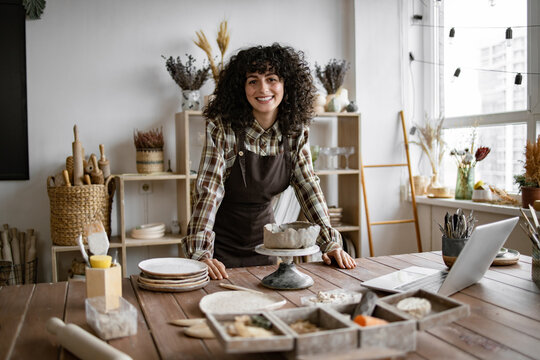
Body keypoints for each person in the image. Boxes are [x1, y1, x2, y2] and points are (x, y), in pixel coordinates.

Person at [182, 43, 356, 280]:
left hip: (267, 244)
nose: (262, 88)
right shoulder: (222, 127)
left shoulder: (294, 131)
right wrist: (200, 252)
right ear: (241, 88)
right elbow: (208, 191)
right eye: (252, 81)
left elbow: (308, 186)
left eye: (272, 79)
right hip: (218, 247)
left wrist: (330, 242)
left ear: (287, 85)